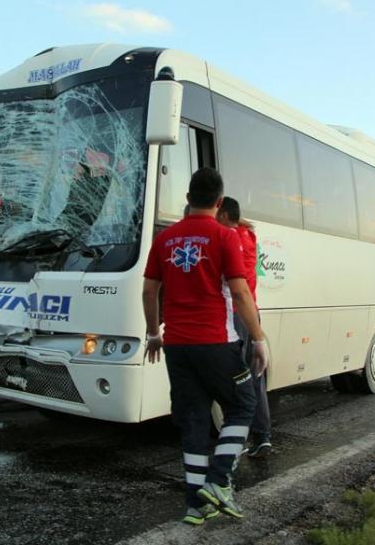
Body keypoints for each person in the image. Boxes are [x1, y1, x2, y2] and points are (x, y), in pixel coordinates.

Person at [143, 167, 269, 525]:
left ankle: (195, 505)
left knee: (194, 419)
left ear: (187, 199)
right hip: (216, 342)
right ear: (218, 202)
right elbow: (241, 292)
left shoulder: (165, 239)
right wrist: (259, 339)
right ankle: (217, 481)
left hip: (177, 345)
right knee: (243, 405)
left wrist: (154, 334)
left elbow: (149, 290)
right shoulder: (225, 236)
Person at [216, 197, 272, 457]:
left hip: (237, 314)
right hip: (253, 314)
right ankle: (262, 436)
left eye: (218, 213)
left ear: (225, 215)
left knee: (235, 378)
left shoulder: (228, 238)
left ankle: (235, 439)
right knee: (255, 376)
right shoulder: (248, 236)